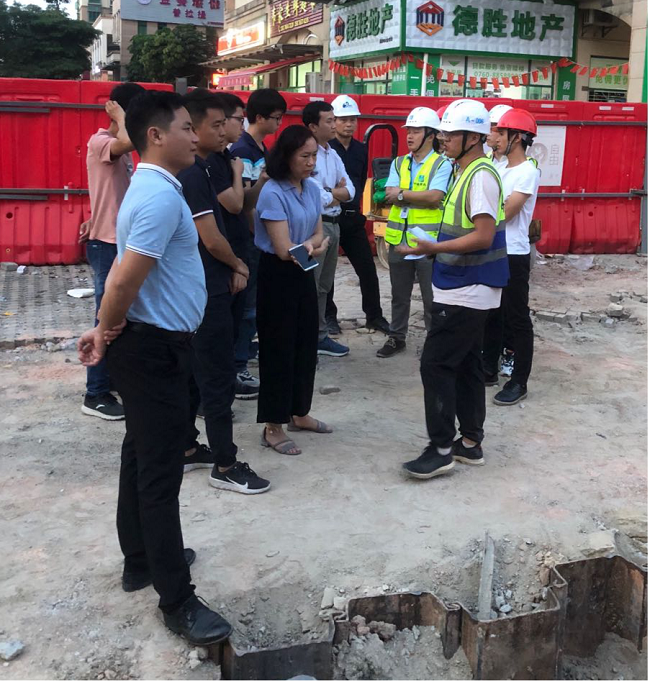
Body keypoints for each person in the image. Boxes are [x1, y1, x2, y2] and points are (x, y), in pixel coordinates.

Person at [77, 90, 232, 644]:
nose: (196, 136)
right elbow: (122, 278)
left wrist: (106, 327)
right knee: (160, 474)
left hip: (152, 345)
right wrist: (105, 329)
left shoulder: (154, 188)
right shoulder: (161, 196)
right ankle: (177, 600)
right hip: (152, 350)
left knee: (140, 456)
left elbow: (126, 269)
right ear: (156, 136)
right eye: (187, 127)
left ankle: (141, 560)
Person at [399, 99, 509, 480]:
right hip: (463, 283)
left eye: (450, 134)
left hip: (467, 286)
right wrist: (430, 245)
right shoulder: (465, 171)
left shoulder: (479, 176)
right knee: (466, 363)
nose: (442, 139)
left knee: (436, 364)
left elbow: (483, 235)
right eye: (442, 133)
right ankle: (470, 442)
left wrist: (434, 247)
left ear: (473, 138)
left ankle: (441, 448)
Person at [179, 89, 269, 494]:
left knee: (197, 372)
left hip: (206, 284)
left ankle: (186, 446)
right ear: (192, 129)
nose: (223, 131)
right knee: (216, 377)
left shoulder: (204, 167)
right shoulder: (193, 174)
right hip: (206, 287)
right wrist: (237, 264)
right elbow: (212, 237)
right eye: (215, 125)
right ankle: (226, 464)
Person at [254, 125, 332, 455]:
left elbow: (318, 232)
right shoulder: (272, 192)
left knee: (305, 344)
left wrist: (311, 247)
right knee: (278, 349)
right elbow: (283, 249)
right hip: (277, 275)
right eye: (305, 156)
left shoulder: (311, 188)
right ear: (286, 156)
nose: (311, 162)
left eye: (314, 156)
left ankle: (300, 412)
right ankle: (273, 426)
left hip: (303, 271)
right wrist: (313, 248)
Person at [80, 81, 144, 420]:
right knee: (106, 317)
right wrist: (121, 115)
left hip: (118, 239)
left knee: (122, 318)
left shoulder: (121, 147)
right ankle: (95, 393)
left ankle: (111, 380)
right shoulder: (101, 141)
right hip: (106, 243)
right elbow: (131, 140)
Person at [378, 107, 453, 358]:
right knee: (399, 296)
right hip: (398, 239)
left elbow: (434, 197)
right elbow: (388, 194)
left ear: (431, 135)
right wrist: (409, 196)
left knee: (432, 299)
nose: (409, 135)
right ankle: (396, 337)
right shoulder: (399, 162)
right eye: (408, 130)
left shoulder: (442, 164)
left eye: (416, 131)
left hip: (428, 242)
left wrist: (402, 194)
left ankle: (435, 342)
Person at [482, 109, 540, 406]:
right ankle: (488, 369)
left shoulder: (527, 171)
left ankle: (519, 381)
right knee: (492, 313)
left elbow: (506, 213)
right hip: (495, 249)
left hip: (514, 253)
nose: (496, 138)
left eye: (501, 133)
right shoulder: (501, 167)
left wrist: (485, 209)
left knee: (517, 318)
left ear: (517, 138)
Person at [230, 89, 286, 383]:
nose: (279, 123)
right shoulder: (243, 152)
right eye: (276, 117)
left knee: (255, 305)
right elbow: (246, 204)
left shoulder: (261, 149)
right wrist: (262, 238)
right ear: (260, 117)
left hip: (260, 239)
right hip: (251, 240)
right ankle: (238, 365)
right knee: (247, 307)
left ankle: (244, 354)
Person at [207, 92, 259, 401]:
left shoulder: (226, 156)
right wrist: (239, 174)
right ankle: (216, 391)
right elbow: (234, 204)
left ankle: (229, 379)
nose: (243, 125)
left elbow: (246, 203)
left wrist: (262, 180)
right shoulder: (214, 162)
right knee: (221, 329)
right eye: (240, 119)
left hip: (240, 247)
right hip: (226, 256)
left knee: (238, 321)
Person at [325, 95, 390, 336]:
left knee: (367, 270)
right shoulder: (325, 150)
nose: (349, 124)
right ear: (334, 121)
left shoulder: (361, 150)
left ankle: (374, 316)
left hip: (352, 219)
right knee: (327, 273)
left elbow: (360, 182)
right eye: (343, 120)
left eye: (352, 119)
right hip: (330, 217)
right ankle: (328, 317)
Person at [303, 101, 353, 358]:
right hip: (314, 226)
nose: (335, 125)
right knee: (308, 285)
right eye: (330, 121)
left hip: (334, 225)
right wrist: (335, 193)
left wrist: (331, 192)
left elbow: (351, 191)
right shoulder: (305, 155)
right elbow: (316, 197)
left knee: (324, 285)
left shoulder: (332, 154)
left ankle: (319, 336)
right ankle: (304, 337)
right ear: (313, 126)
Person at [485, 104, 513, 172]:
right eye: (487, 127)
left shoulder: (519, 163)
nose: (487, 132)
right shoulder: (487, 157)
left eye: (493, 128)